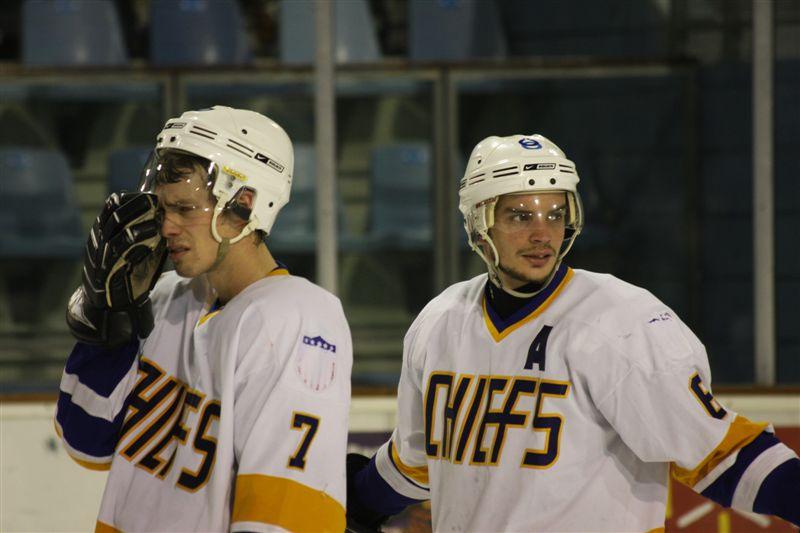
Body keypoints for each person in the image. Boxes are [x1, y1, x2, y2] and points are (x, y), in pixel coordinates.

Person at [346, 134, 800, 532]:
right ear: (479, 223)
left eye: (555, 214)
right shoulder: (440, 320)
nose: (542, 234)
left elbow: (720, 453)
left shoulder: (622, 321)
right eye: (520, 216)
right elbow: (417, 462)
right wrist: (356, 501)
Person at [57, 106, 352, 532]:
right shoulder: (161, 297)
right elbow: (85, 443)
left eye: (185, 208)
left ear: (244, 205)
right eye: (163, 209)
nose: (167, 227)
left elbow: (284, 516)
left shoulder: (298, 318)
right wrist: (111, 320)